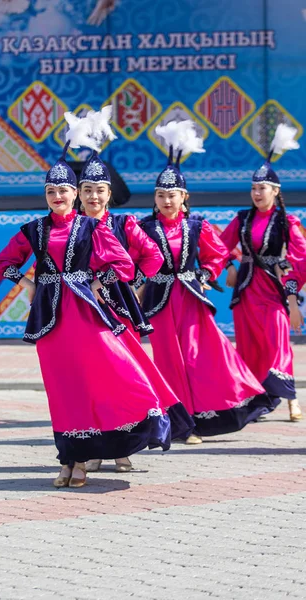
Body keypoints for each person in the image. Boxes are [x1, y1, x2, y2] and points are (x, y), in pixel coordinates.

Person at [0, 113, 193, 488]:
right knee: (63, 387)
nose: (57, 197)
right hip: (50, 319)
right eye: (50, 192)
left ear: (75, 194)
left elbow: (121, 262)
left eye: (64, 191)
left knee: (110, 373)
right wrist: (27, 283)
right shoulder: (34, 229)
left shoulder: (90, 227)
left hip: (87, 314)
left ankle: (114, 443)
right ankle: (71, 458)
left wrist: (101, 282)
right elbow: (2, 264)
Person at [138, 120, 272, 443]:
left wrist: (206, 275)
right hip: (158, 299)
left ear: (184, 197)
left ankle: (214, 412)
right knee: (168, 359)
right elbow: (132, 260)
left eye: (172, 195)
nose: (166, 201)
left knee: (201, 357)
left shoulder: (196, 225)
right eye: (160, 195)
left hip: (190, 297)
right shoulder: (142, 227)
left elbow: (216, 255)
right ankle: (180, 424)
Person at [77, 145, 165, 472]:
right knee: (89, 381)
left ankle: (122, 448)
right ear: (78, 194)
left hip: (117, 314)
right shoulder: (68, 228)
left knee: (120, 378)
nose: (93, 196)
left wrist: (134, 284)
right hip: (81, 313)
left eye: (99, 190)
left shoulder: (124, 225)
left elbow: (153, 256)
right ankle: (96, 448)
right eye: (87, 190)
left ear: (109, 194)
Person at [220, 124, 306, 422]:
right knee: (250, 348)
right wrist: (230, 265)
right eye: (254, 188)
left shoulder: (287, 221)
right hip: (245, 291)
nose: (257, 193)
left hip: (272, 291)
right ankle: (258, 399)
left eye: (262, 188)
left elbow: (300, 257)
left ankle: (291, 397)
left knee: (279, 343)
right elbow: (217, 246)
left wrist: (293, 299)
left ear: (275, 191)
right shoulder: (243, 218)